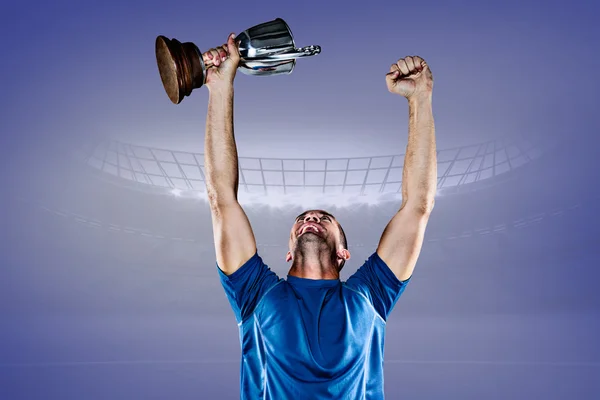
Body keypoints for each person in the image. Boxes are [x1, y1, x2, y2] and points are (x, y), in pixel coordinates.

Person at [203, 33, 436, 399]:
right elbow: (222, 199)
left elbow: (418, 206)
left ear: (344, 252)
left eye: (326, 218)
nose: (311, 216)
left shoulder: (370, 295)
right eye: (304, 218)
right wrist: (219, 87)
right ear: (289, 251)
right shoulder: (255, 293)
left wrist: (420, 98)